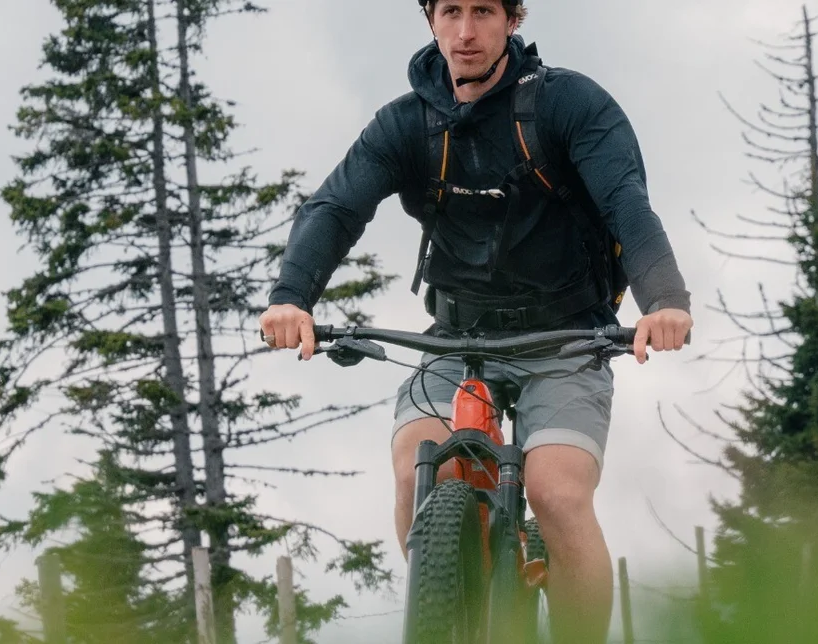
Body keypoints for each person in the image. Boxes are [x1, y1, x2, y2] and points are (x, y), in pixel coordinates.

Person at [257, 1, 693, 640]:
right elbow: (336, 207)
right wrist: (292, 295)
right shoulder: (406, 126)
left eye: (484, 11)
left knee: (557, 495)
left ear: (513, 19)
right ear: (429, 17)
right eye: (451, 11)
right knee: (417, 473)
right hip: (457, 339)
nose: (466, 32)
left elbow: (626, 201)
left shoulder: (571, 106)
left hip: (566, 336)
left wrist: (664, 300)